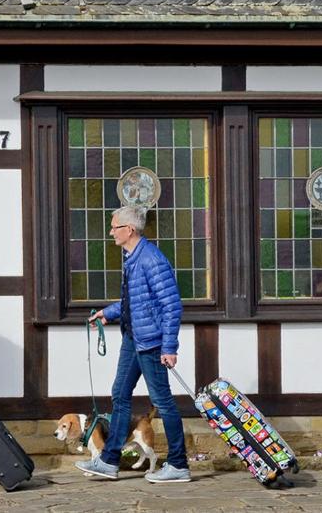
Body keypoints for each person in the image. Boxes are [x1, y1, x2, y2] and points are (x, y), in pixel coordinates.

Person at [77, 205, 190, 483]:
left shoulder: (152, 260)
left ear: (129, 229)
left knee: (163, 403)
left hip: (150, 343)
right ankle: (109, 461)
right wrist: (108, 313)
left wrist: (169, 346)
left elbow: (171, 305)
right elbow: (134, 303)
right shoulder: (132, 258)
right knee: (120, 395)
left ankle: (178, 465)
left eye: (114, 227)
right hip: (133, 339)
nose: (110, 232)